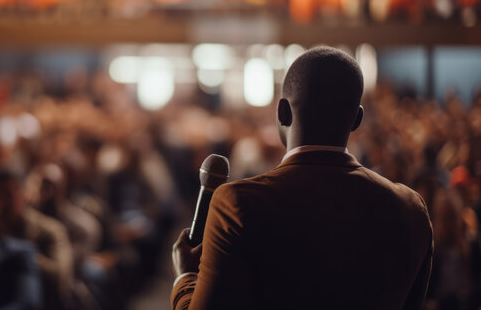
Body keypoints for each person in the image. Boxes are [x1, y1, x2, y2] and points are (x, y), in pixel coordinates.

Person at [171, 47, 433, 310]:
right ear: (357, 119)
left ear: (283, 112)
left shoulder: (237, 205)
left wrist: (186, 277)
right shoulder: (410, 209)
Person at [0, 171, 74, 310]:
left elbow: (60, 276)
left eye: (8, 195)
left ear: (21, 194)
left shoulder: (50, 231)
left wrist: (21, 256)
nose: (2, 203)